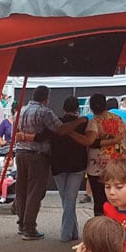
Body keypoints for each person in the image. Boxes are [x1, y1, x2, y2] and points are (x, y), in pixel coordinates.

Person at [14, 86, 87, 240]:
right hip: (37, 155)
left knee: (22, 189)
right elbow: (60, 130)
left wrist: (25, 137)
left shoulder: (21, 110)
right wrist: (80, 121)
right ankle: (30, 228)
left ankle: (21, 224)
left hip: (20, 153)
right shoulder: (44, 111)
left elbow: (16, 132)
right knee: (36, 191)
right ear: (46, 98)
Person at [66, 93, 126, 216]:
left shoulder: (94, 121)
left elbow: (89, 141)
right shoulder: (118, 119)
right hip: (119, 165)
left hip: (98, 167)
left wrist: (70, 133)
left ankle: (100, 229)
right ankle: (116, 227)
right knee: (117, 200)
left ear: (91, 106)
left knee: (100, 201)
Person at [50, 96, 88, 242]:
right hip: (77, 165)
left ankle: (68, 233)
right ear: (77, 108)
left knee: (65, 199)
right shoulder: (84, 124)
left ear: (63, 108)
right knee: (70, 199)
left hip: (58, 164)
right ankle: (69, 233)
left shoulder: (56, 123)